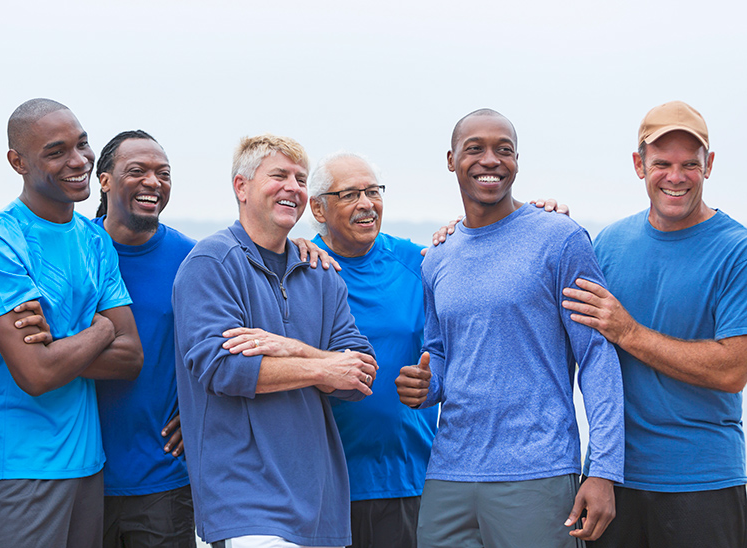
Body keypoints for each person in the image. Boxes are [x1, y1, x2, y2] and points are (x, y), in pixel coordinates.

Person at [396, 108, 624, 547]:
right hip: (448, 475)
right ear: (451, 160)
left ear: (517, 161)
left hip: (537, 473)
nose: (490, 160)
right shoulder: (438, 258)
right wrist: (426, 385)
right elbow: (441, 354)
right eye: (475, 148)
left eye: (504, 150)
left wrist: (604, 471)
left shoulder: (561, 239)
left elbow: (596, 355)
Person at [173, 134, 377, 548]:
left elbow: (360, 374)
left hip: (322, 505)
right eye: (279, 175)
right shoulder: (211, 263)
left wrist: (296, 349)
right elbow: (224, 368)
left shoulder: (321, 272)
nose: (293, 187)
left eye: (301, 179)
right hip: (245, 505)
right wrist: (322, 367)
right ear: (241, 187)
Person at [0, 98, 144, 548]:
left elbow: (131, 356)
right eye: (56, 151)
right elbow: (36, 374)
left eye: (82, 145)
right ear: (17, 162)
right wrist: (99, 330)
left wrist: (57, 346)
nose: (78, 161)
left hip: (87, 464)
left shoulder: (94, 239)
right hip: (14, 468)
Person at [561, 100, 747, 548]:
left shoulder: (735, 250)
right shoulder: (608, 243)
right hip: (614, 481)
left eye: (690, 164)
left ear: (710, 165)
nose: (676, 177)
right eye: (661, 163)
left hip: (704, 483)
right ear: (638, 165)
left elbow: (732, 370)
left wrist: (628, 331)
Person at [307, 152, 437, 548]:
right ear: (318, 208)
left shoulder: (419, 262)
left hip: (405, 478)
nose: (367, 203)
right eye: (349, 194)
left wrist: (540, 216)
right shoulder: (298, 266)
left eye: (373, 191)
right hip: (321, 484)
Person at [93, 130, 197, 548]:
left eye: (163, 173)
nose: (153, 182)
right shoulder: (76, 247)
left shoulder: (193, 260)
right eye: (137, 171)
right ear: (104, 180)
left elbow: (224, 349)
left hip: (162, 476)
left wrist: (201, 418)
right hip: (79, 473)